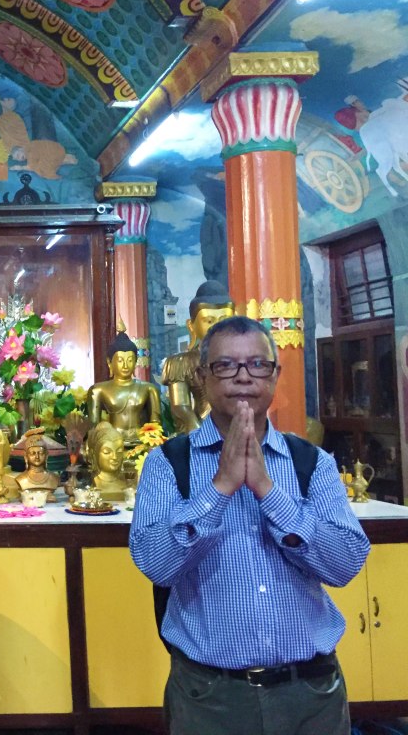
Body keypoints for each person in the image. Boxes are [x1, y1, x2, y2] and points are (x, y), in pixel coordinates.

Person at [130, 316, 369, 735]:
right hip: (210, 695)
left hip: (310, 691)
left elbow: (346, 563)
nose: (243, 376)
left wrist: (268, 491)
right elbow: (156, 564)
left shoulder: (311, 462)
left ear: (275, 375)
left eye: (258, 364)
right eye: (226, 365)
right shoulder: (168, 464)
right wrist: (219, 488)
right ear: (202, 377)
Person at [161, 280, 234, 433]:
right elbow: (181, 407)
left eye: (224, 320)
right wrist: (200, 434)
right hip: (199, 427)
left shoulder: (243, 361)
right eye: (209, 321)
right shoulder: (181, 363)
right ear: (191, 326)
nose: (217, 327)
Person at [86, 330, 161, 446]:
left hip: (142, 444)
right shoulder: (98, 390)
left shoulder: (149, 389)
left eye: (130, 360)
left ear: (136, 361)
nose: (125, 365)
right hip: (113, 445)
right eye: (120, 360)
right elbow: (94, 429)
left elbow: (156, 424)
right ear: (109, 362)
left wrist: (152, 444)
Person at [85, 421, 127, 496]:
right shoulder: (93, 483)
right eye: (107, 452)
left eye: (119, 452)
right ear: (95, 454)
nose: (115, 457)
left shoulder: (125, 485)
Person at [13, 427, 59, 494]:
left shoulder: (53, 478)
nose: (37, 457)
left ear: (46, 455)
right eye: (32, 453)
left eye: (40, 453)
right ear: (26, 456)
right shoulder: (21, 479)